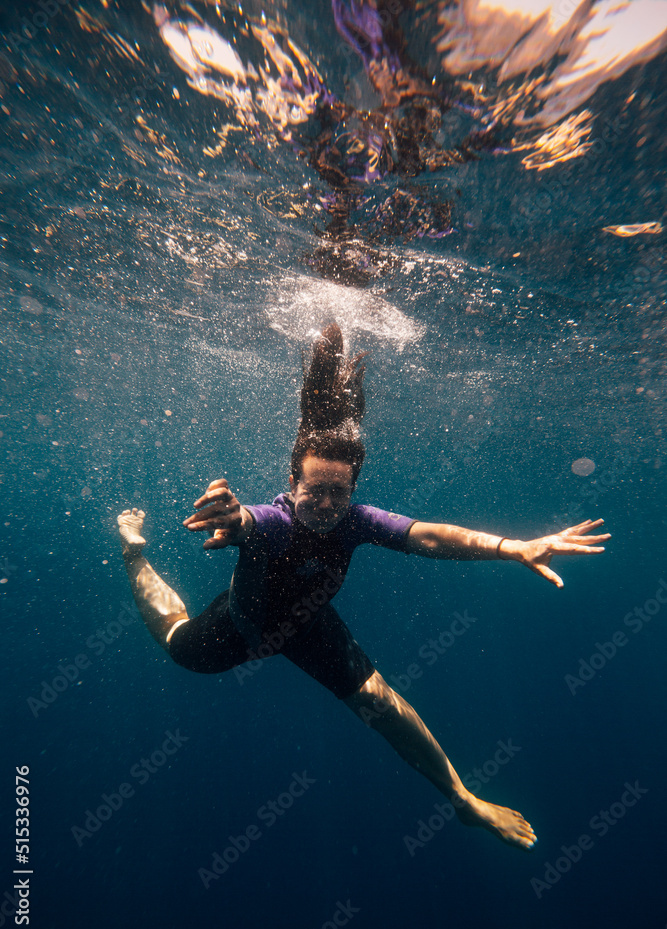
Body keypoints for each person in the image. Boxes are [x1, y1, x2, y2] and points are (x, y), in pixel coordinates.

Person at [118, 323, 609, 851]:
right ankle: (132, 552)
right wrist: (237, 522)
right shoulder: (276, 521)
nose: (327, 506)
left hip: (307, 621)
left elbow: (430, 537)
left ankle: (463, 798)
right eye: (314, 492)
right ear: (291, 485)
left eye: (339, 493)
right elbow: (251, 523)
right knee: (176, 639)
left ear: (353, 490)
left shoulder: (357, 521)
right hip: (241, 630)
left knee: (381, 704)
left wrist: (512, 548)